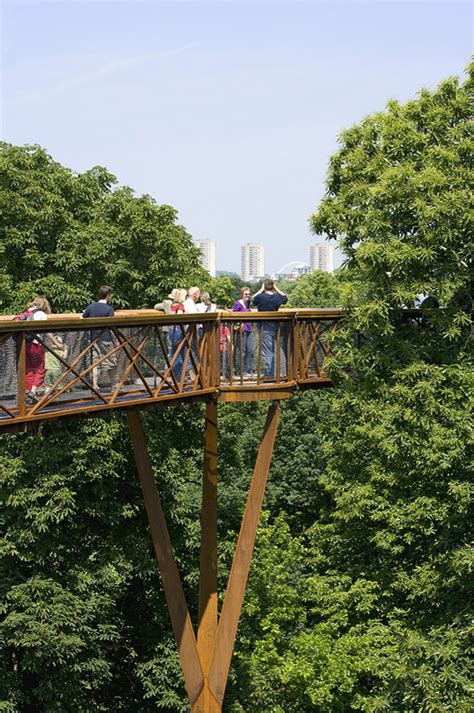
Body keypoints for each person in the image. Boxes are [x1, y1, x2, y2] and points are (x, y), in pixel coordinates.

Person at [19, 296, 66, 400]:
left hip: (23, 344)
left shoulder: (27, 311)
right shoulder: (41, 314)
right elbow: (47, 331)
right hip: (34, 344)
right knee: (41, 368)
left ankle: (28, 391)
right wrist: (57, 344)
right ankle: (33, 391)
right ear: (44, 305)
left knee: (29, 369)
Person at [82, 285, 117, 390]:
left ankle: (94, 385)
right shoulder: (109, 309)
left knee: (95, 363)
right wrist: (116, 339)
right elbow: (111, 326)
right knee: (111, 362)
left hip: (94, 339)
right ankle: (114, 384)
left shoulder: (91, 307)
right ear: (108, 295)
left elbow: (81, 318)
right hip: (106, 339)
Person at [252, 279, 288, 379]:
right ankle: (273, 372)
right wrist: (276, 288)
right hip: (276, 326)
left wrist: (261, 289)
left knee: (267, 350)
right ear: (273, 286)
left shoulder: (260, 297)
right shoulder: (277, 298)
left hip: (264, 326)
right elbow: (285, 298)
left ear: (264, 286)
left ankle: (270, 374)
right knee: (272, 349)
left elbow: (252, 299)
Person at [232, 286, 254, 377]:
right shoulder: (238, 304)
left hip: (249, 329)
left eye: (249, 294)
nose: (247, 296)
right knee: (242, 351)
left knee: (251, 350)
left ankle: (248, 370)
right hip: (241, 330)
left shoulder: (248, 303)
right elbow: (234, 315)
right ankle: (241, 370)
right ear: (242, 294)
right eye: (246, 294)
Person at [168, 288, 188, 382]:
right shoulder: (180, 306)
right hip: (179, 331)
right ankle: (179, 376)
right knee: (180, 353)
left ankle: (175, 375)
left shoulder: (172, 305)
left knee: (174, 352)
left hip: (172, 330)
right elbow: (180, 317)